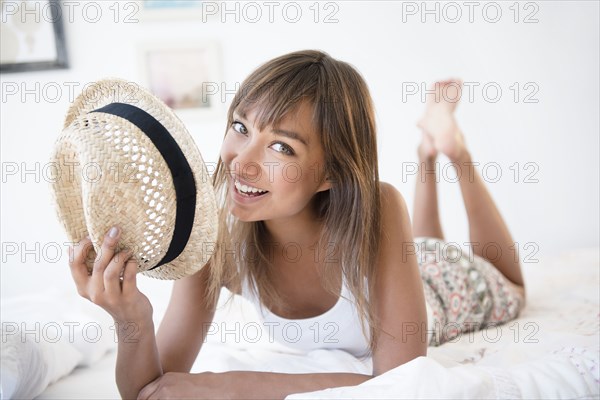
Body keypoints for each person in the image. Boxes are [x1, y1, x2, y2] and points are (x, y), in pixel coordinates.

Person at [69, 50, 526, 399]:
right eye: (241, 127)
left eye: (282, 148)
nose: (241, 163)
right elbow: (150, 390)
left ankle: (451, 151)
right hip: (407, 261)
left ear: (331, 173)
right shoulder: (214, 237)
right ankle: (427, 151)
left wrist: (232, 386)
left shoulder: (380, 205)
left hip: (443, 286)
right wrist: (133, 322)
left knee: (504, 281)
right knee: (425, 242)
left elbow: (399, 378)